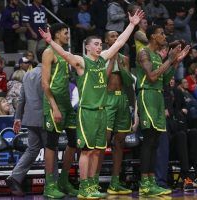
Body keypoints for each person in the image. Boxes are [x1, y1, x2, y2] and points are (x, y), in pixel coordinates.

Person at [39, 9, 145, 199]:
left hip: (102, 111)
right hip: (87, 112)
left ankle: (93, 185)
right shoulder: (81, 62)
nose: (99, 46)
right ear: (87, 47)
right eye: (95, 44)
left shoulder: (102, 60)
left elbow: (119, 43)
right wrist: (50, 41)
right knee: (87, 151)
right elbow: (64, 54)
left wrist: (131, 24)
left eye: (100, 44)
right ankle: (84, 187)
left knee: (97, 150)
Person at [136, 25, 190, 196]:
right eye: (161, 33)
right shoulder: (144, 52)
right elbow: (152, 77)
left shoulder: (158, 56)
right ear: (152, 36)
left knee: (156, 142)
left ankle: (152, 182)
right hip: (147, 95)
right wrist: (170, 59)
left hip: (158, 97)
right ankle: (144, 184)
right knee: (149, 140)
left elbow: (165, 79)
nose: (164, 36)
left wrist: (176, 62)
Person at [5, 47, 54, 196]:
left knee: (32, 149)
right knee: (51, 150)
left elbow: (21, 99)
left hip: (30, 119)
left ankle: (15, 176)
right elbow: (49, 96)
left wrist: (17, 118)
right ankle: (53, 184)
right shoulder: (48, 73)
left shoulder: (28, 74)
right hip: (45, 117)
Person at [41, 23, 78, 199]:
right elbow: (45, 84)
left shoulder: (65, 53)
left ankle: (63, 181)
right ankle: (49, 185)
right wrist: (54, 107)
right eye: (65, 33)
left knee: (73, 141)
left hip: (67, 104)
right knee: (52, 143)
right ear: (56, 35)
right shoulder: (49, 52)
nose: (67, 36)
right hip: (53, 103)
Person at [103, 31, 135, 195]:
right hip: (107, 99)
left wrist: (122, 66)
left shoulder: (125, 58)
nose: (115, 39)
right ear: (106, 40)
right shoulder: (102, 56)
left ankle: (115, 182)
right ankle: (93, 180)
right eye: (112, 37)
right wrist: (112, 60)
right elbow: (101, 80)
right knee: (104, 140)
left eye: (117, 37)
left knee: (120, 142)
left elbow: (129, 82)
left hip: (122, 98)